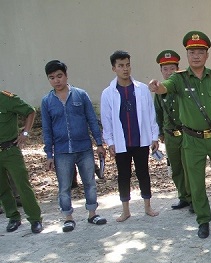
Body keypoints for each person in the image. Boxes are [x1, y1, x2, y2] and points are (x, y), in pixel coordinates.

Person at [149, 31, 211, 239]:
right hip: (192, 140)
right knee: (196, 183)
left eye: (200, 52)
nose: (196, 56)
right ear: (187, 55)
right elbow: (165, 87)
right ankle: (203, 220)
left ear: (207, 55)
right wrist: (157, 86)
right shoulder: (179, 79)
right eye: (191, 52)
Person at [41, 60, 107, 232]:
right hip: (62, 151)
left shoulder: (80, 95)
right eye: (52, 78)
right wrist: (49, 154)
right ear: (49, 80)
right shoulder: (47, 101)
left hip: (84, 148)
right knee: (64, 186)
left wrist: (99, 143)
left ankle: (92, 214)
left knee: (89, 182)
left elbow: (92, 120)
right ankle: (68, 218)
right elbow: (47, 129)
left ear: (66, 75)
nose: (57, 80)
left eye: (59, 76)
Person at [101, 50, 160, 222]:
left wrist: (154, 137)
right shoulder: (108, 93)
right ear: (114, 68)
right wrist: (110, 141)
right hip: (121, 142)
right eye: (120, 66)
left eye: (127, 65)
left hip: (140, 139)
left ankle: (147, 206)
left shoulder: (141, 89)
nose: (125, 69)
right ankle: (125, 210)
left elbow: (151, 115)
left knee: (143, 172)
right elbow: (106, 119)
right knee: (123, 174)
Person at [153, 50, 192, 212]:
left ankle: (193, 199)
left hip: (186, 134)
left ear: (178, 69)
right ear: (161, 71)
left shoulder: (183, 89)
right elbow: (158, 113)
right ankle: (183, 196)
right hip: (170, 136)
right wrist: (160, 134)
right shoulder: (159, 93)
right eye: (165, 69)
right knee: (176, 168)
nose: (168, 73)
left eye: (172, 69)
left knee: (189, 168)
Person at [0, 90, 43, 233]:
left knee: (22, 185)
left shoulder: (6, 99)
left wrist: (25, 132)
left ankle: (35, 219)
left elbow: (30, 111)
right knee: (2, 188)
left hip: (10, 150)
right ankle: (13, 217)